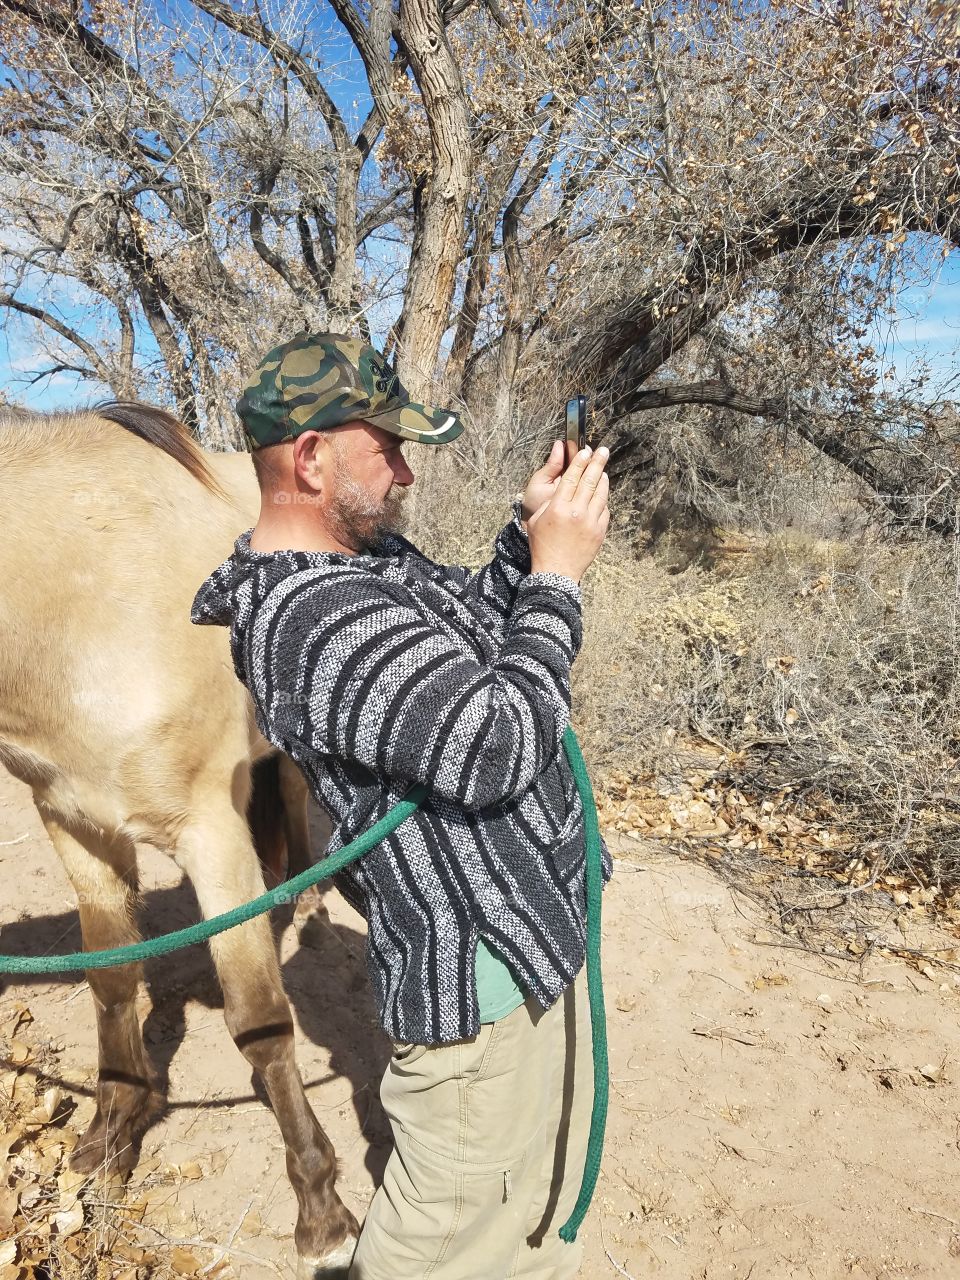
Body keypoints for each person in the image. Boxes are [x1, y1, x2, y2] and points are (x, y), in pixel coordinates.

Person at [190, 331, 613, 1280]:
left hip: (521, 946)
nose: (407, 473)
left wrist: (525, 535)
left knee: (522, 1221)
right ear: (310, 457)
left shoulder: (363, 570)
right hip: (478, 984)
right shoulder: (310, 618)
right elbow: (494, 740)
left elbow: (468, 622)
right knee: (446, 1245)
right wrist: (558, 575)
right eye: (389, 447)